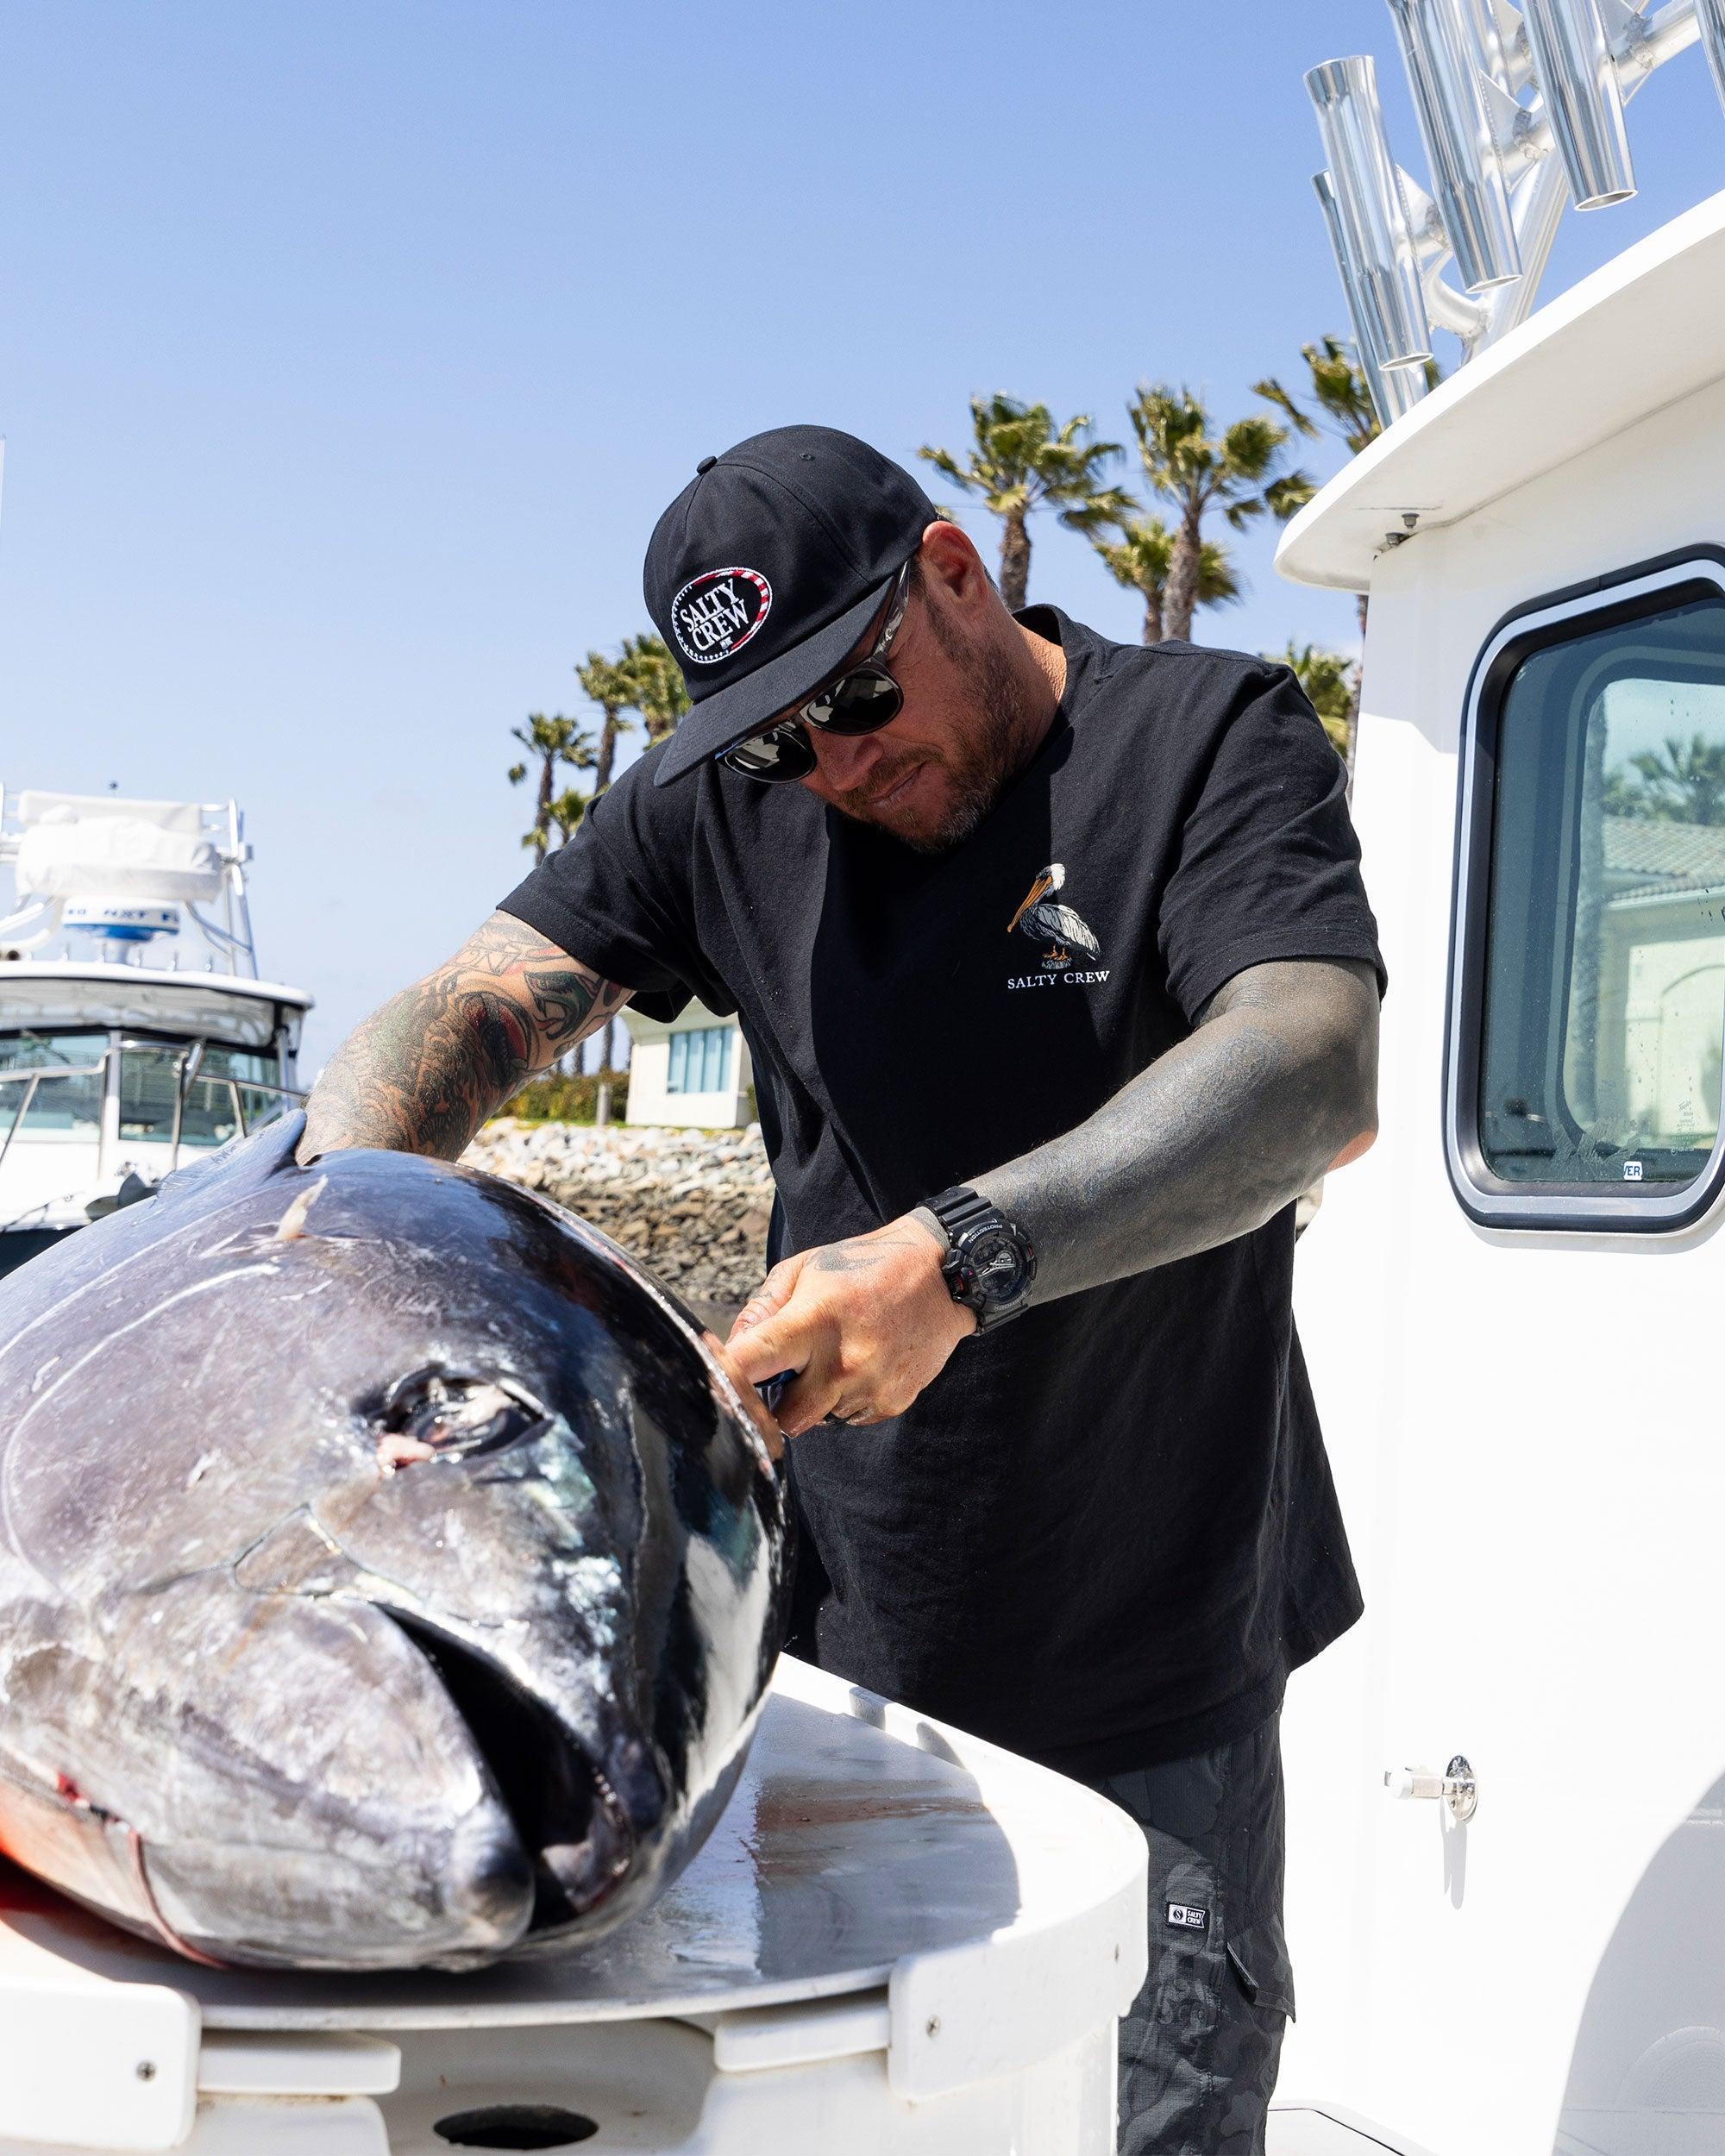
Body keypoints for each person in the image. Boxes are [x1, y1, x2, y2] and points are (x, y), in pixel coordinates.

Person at [301, 424, 1383, 2156]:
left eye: (856, 703)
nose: (830, 766)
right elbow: (459, 1012)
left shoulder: (1203, 736)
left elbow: (1309, 1067)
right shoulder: (730, 795)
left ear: (956, 571)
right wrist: (338, 1222)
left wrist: (956, 1256)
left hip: (1151, 1659)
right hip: (821, 1670)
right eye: (776, 739)